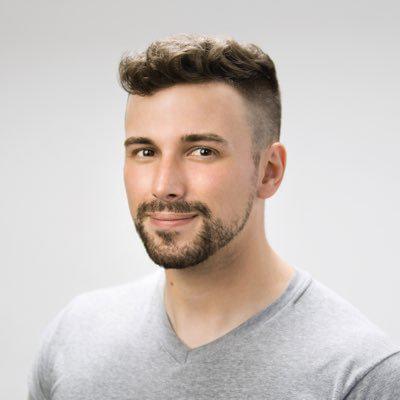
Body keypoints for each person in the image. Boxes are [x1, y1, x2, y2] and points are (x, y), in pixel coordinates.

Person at [28, 33, 400, 400]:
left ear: (269, 171)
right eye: (145, 152)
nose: (164, 186)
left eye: (202, 151)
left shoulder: (359, 375)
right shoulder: (73, 340)